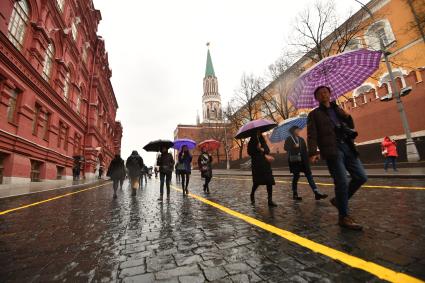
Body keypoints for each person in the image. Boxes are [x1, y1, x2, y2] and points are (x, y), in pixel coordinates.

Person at [307, 86, 367, 230]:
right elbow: (312, 134)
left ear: (330, 94)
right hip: (332, 150)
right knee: (341, 182)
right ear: (316, 98)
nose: (324, 95)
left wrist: (347, 116)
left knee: (361, 177)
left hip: (347, 147)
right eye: (320, 94)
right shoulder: (314, 114)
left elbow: (350, 126)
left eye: (326, 92)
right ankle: (343, 217)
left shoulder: (337, 109)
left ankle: (339, 201)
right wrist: (312, 152)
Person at [284, 126, 328, 201]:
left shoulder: (301, 139)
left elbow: (305, 150)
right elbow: (285, 148)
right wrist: (293, 146)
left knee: (309, 176)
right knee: (296, 177)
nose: (298, 131)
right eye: (297, 130)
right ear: (293, 131)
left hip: (303, 161)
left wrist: (311, 157)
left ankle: (316, 193)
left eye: (298, 130)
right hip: (295, 161)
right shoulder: (289, 138)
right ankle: (295, 194)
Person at [248, 131, 277, 207]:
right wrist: (256, 148)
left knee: (269, 181)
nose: (258, 132)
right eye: (257, 131)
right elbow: (249, 152)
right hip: (257, 164)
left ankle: (270, 200)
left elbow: (267, 150)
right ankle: (252, 193)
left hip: (265, 163)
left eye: (259, 131)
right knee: (257, 182)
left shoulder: (262, 140)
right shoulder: (251, 141)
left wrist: (262, 149)